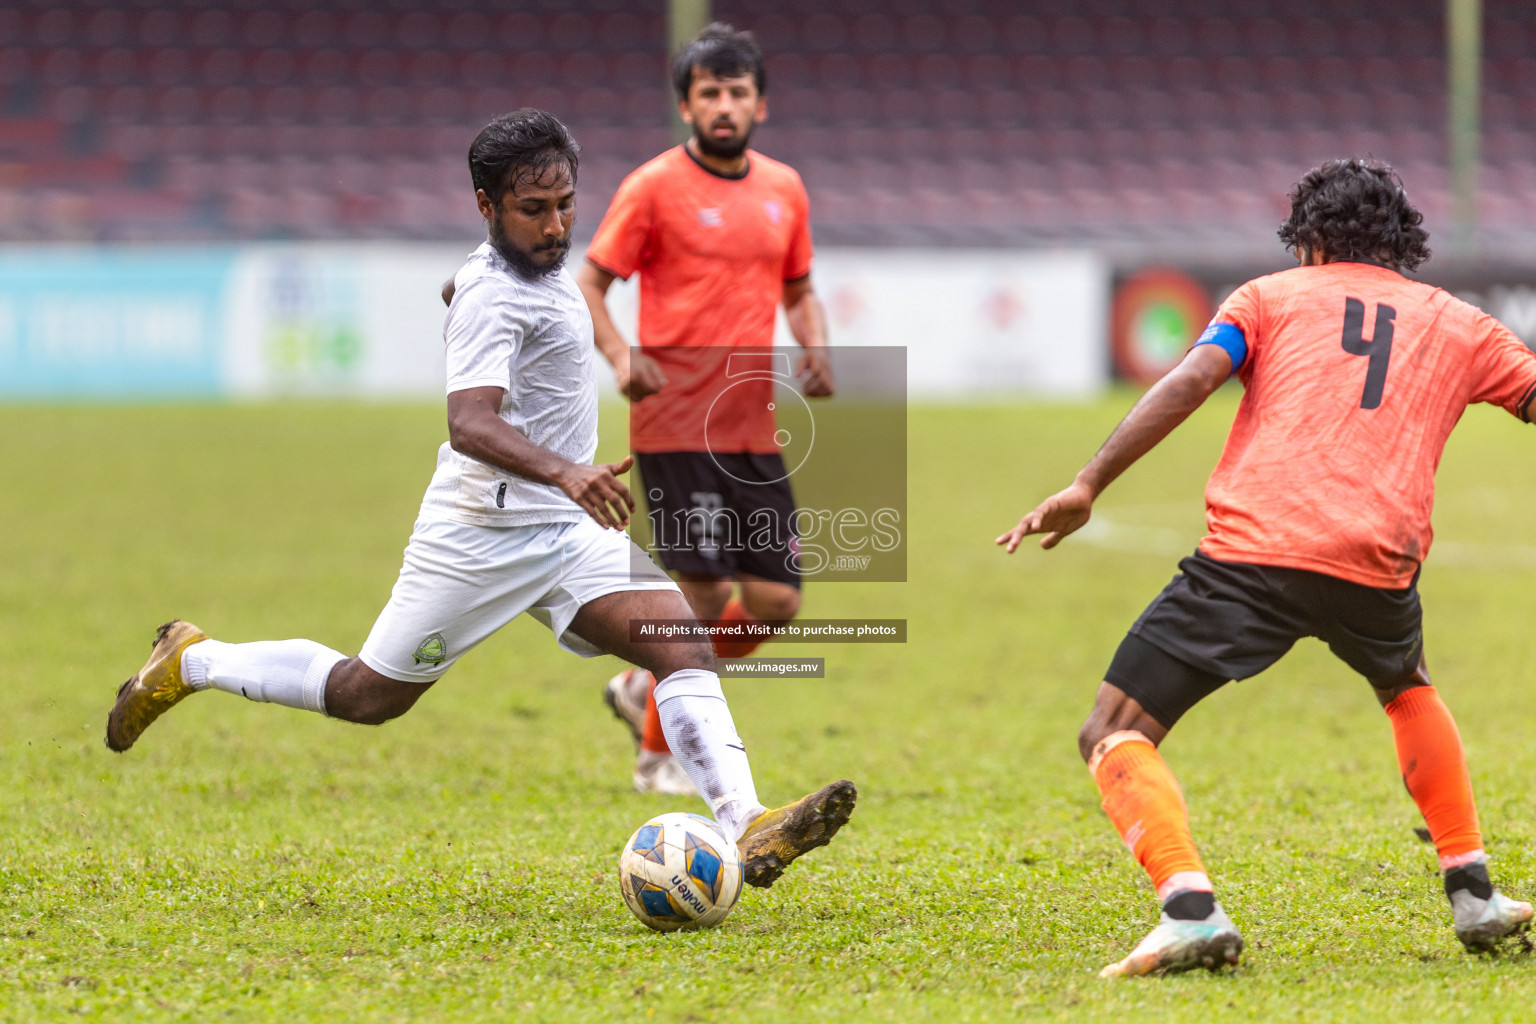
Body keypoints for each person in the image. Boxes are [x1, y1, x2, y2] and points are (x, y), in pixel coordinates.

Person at [106, 109, 855, 891]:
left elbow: (464, 284)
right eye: (534, 210)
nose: (556, 223)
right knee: (367, 696)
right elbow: (469, 422)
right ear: (485, 205)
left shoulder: (513, 271)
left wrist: (470, 296)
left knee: (680, 643)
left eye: (565, 203)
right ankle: (194, 661)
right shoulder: (497, 296)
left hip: (567, 534)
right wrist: (569, 472)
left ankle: (747, 825)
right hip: (480, 533)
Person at [998, 157, 1536, 976]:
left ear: (1310, 241)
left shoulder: (1267, 298)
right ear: (1401, 243)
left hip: (1256, 553)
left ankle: (1189, 909)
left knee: (1112, 729)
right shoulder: (1461, 323)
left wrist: (1089, 482)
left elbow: (1190, 381)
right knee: (1406, 682)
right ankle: (1474, 892)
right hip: (1378, 560)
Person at [577, 24, 833, 796]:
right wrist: (621, 357)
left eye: (738, 92)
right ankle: (659, 755)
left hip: (751, 424)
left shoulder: (784, 188)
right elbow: (591, 283)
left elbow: (797, 287)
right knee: (699, 592)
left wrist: (815, 343)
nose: (725, 106)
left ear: (761, 102)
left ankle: (643, 690)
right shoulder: (652, 187)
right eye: (710, 93)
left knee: (776, 601)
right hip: (675, 421)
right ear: (686, 104)